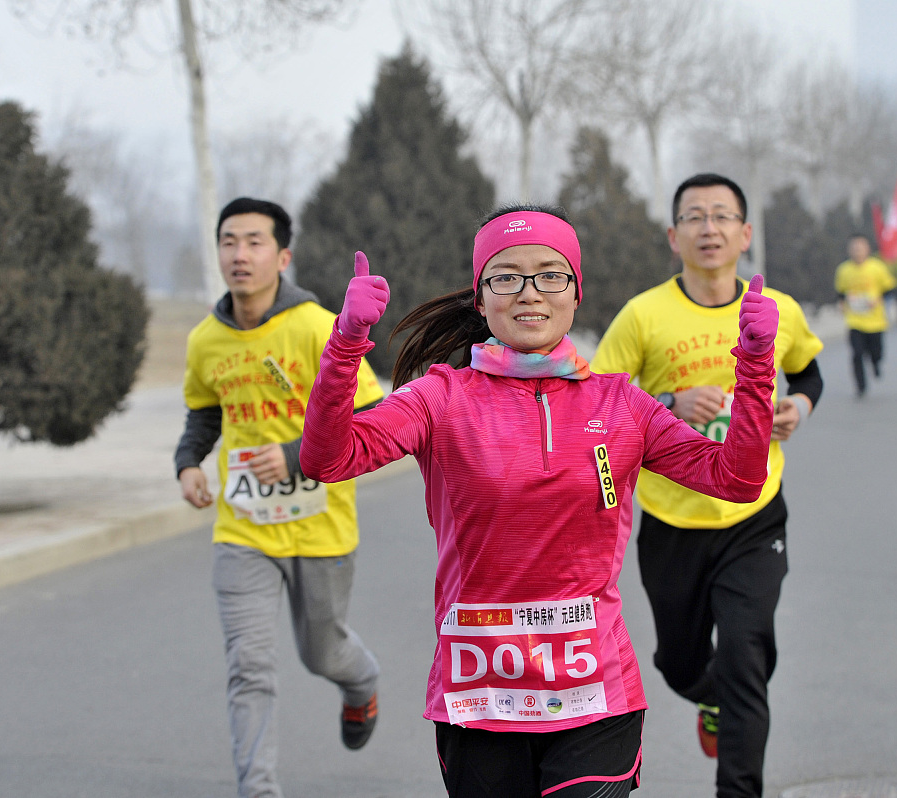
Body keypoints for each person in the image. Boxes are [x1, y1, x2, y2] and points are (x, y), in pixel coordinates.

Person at [298, 205, 781, 798]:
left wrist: (755, 363)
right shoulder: (439, 399)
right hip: (480, 692)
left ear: (576, 294)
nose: (530, 293)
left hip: (594, 689)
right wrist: (345, 344)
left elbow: (735, 479)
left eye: (551, 275)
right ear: (480, 298)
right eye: (506, 276)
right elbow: (326, 459)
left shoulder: (621, 405)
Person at [591, 173, 824, 798]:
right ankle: (709, 698)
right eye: (694, 216)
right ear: (674, 236)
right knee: (682, 664)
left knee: (747, 658)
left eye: (723, 216)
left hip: (753, 517)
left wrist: (797, 406)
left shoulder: (780, 309)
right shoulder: (643, 315)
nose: (709, 227)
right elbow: (598, 402)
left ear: (745, 234)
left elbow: (808, 372)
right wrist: (668, 399)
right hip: (672, 522)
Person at [174, 197, 384, 798]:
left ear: (283, 256)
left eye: (254, 242)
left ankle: (361, 682)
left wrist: (294, 454)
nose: (240, 254)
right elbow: (203, 415)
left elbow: (368, 412)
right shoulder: (204, 341)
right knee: (250, 667)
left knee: (322, 653)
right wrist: (188, 463)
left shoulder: (318, 326)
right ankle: (259, 790)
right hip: (242, 528)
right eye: (229, 241)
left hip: (320, 524)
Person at [834, 234, 896, 397]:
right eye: (854, 248)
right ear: (849, 250)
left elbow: (889, 288)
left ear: (867, 249)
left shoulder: (877, 267)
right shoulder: (844, 270)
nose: (857, 251)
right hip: (855, 320)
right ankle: (861, 385)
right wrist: (842, 304)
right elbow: (840, 292)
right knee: (857, 353)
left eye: (860, 248)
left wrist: (878, 299)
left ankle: (876, 363)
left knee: (876, 352)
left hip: (875, 321)